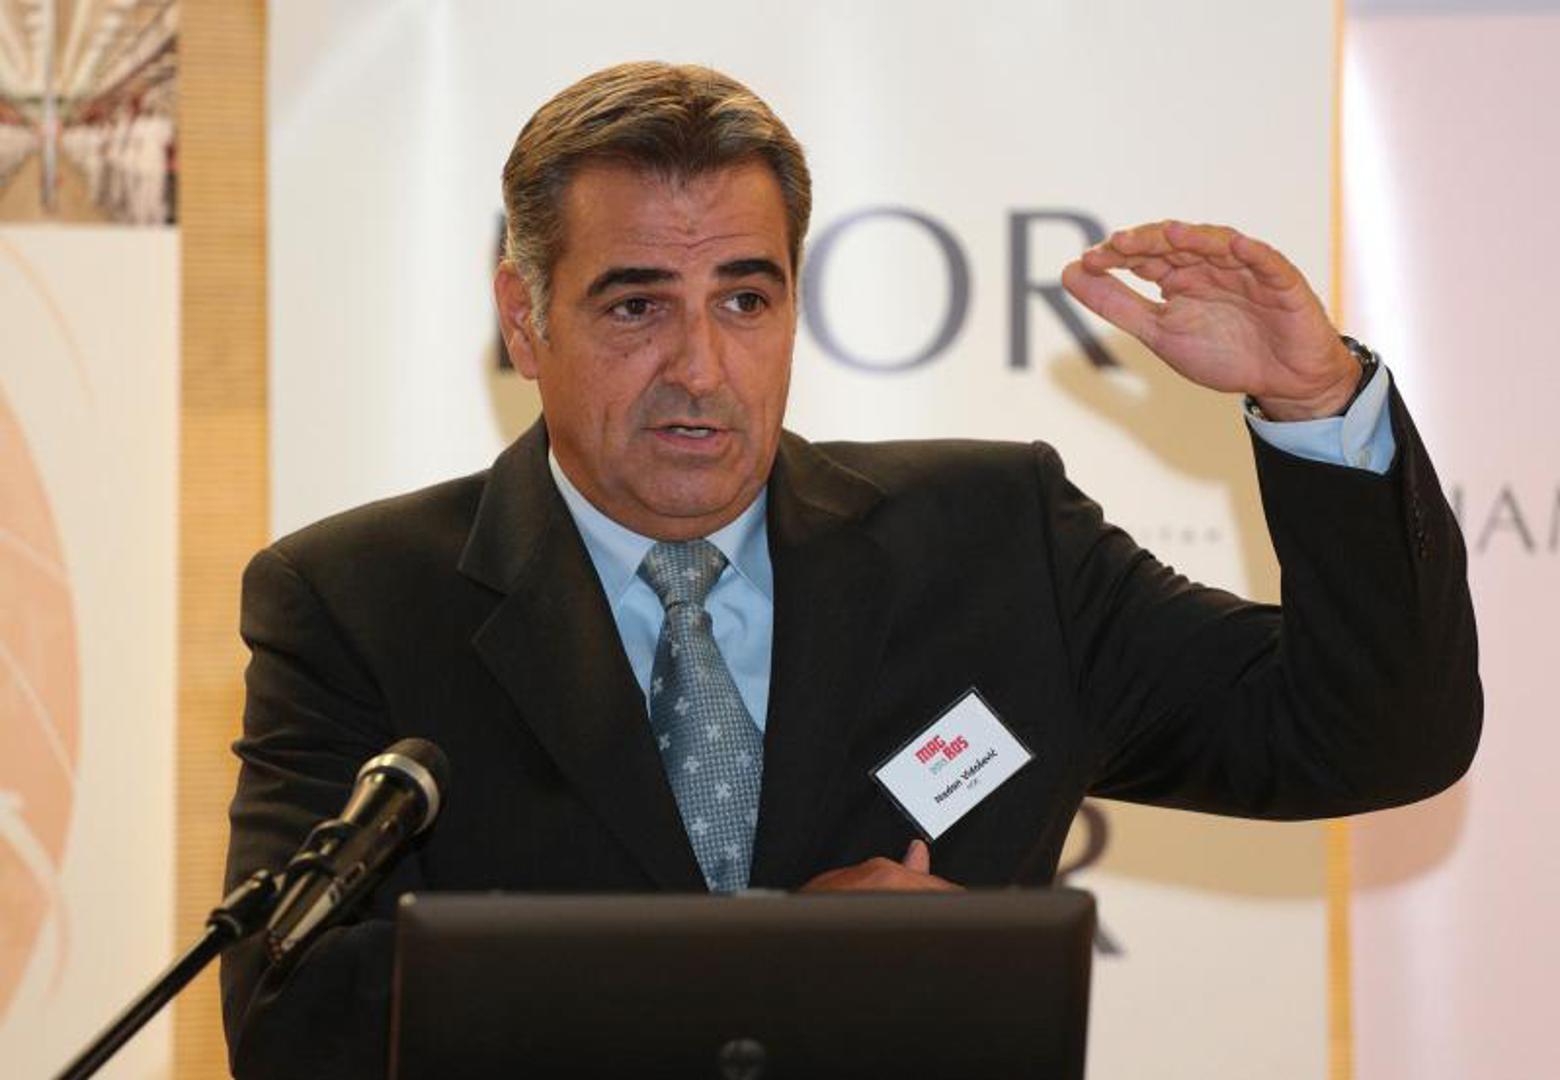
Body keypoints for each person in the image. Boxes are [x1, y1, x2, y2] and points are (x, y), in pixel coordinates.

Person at [220, 62, 1480, 1077]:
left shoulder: (998, 544)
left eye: (745, 300)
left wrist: (1317, 405)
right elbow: (293, 1016)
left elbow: (1371, 737)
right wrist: (778, 966)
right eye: (635, 306)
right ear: (524, 317)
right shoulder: (358, 602)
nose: (700, 368)